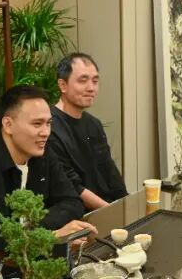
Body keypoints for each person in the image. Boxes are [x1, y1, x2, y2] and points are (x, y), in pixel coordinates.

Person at [0, 85, 95, 260]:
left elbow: (72, 203)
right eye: (37, 124)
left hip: (31, 257)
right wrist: (50, 236)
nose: (46, 133)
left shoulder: (43, 154)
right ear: (8, 125)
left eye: (48, 123)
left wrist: (34, 229)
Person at [47, 53, 128, 210]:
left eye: (95, 81)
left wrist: (127, 206)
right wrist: (112, 211)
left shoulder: (94, 124)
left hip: (107, 208)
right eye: (83, 81)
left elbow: (110, 172)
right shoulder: (48, 126)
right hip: (78, 213)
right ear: (63, 85)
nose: (91, 88)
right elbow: (72, 186)